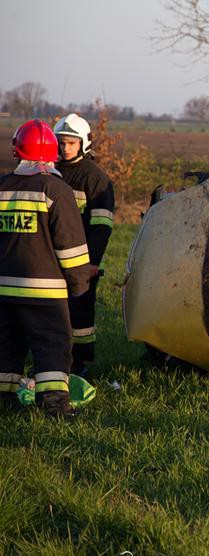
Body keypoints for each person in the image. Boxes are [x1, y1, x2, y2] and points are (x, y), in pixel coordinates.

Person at [0, 119, 91, 417]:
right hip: (44, 291)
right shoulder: (55, 189)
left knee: (7, 347)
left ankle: (5, 401)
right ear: (52, 153)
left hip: (3, 289)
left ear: (17, 150)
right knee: (52, 344)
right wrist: (78, 286)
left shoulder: (2, 187)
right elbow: (72, 249)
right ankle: (54, 406)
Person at [54, 113, 115, 375]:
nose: (65, 148)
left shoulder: (95, 178)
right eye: (61, 142)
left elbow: (102, 226)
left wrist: (91, 263)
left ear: (83, 144)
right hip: (53, 258)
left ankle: (79, 366)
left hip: (83, 262)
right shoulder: (51, 172)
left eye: (71, 143)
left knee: (80, 315)